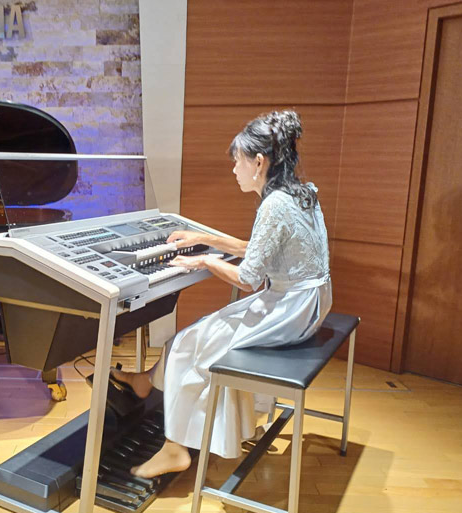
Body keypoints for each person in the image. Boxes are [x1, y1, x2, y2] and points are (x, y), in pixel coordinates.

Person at [112, 109, 332, 478]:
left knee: (187, 342)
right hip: (308, 303)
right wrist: (204, 238)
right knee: (193, 337)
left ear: (258, 162)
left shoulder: (274, 205)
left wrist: (203, 261)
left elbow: (247, 278)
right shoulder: (300, 193)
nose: (234, 169)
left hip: (290, 310)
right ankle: (146, 382)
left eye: (237, 160)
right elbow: (260, 249)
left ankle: (175, 448)